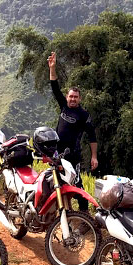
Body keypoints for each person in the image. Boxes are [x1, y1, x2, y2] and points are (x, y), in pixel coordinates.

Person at [48, 51, 98, 211]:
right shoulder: (63, 105)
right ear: (67, 97)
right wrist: (52, 68)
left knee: (77, 185)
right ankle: (63, 212)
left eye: (76, 97)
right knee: (56, 182)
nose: (72, 99)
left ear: (80, 99)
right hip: (57, 154)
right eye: (71, 96)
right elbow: (55, 87)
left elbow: (92, 136)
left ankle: (84, 214)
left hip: (73, 157)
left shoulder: (83, 115)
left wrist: (94, 157)